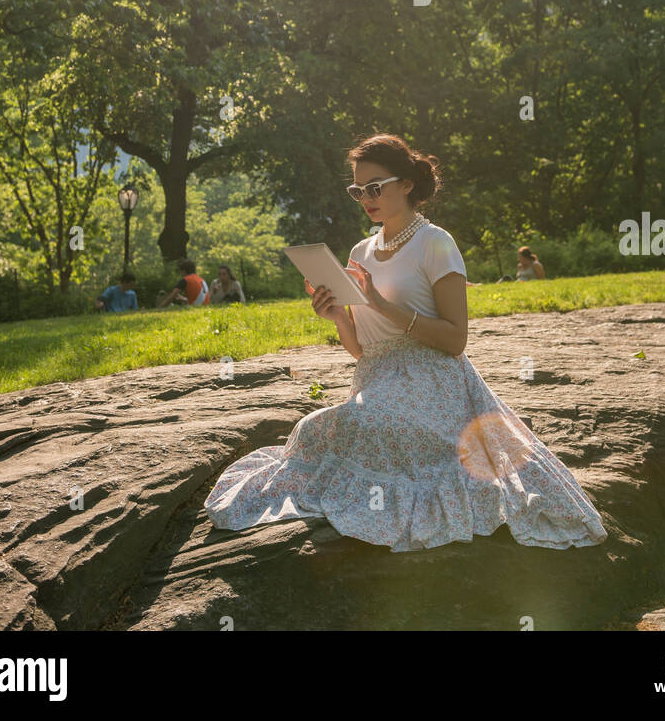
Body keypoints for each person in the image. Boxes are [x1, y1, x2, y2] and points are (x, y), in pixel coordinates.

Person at [204, 133, 607, 554]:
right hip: (375, 379)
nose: (366, 198)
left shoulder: (436, 243)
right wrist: (337, 315)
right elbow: (363, 350)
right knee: (311, 428)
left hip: (434, 381)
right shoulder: (361, 251)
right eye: (358, 189)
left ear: (407, 185)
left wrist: (381, 303)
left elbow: (456, 339)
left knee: (370, 424)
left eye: (376, 187)